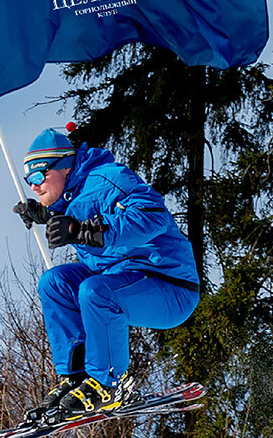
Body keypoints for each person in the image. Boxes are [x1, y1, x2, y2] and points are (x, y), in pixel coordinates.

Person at [13, 128, 200, 423]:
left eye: (38, 177)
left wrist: (86, 230)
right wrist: (48, 216)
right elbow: (77, 212)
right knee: (54, 283)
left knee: (94, 291)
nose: (34, 187)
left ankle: (108, 384)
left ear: (63, 165)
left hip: (169, 285)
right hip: (120, 277)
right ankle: (76, 377)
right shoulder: (72, 195)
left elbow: (154, 217)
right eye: (29, 181)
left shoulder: (108, 178)